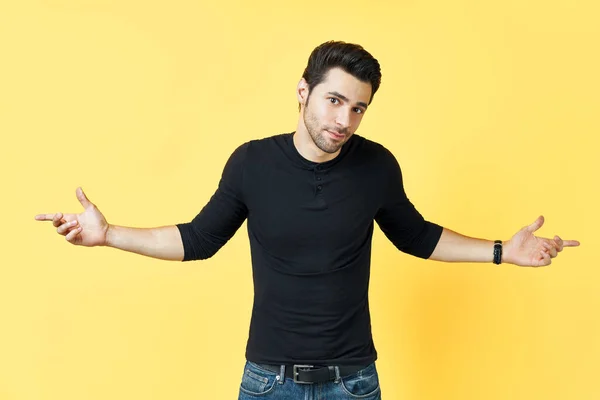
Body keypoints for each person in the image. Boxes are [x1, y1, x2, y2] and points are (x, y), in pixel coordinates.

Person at [35, 41, 580, 400]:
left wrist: (502, 251)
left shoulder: (376, 166)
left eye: (358, 108)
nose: (344, 120)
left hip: (354, 382)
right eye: (335, 101)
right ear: (303, 93)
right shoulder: (251, 163)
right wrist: (107, 235)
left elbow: (416, 237)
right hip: (268, 381)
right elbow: (197, 240)